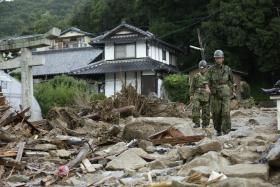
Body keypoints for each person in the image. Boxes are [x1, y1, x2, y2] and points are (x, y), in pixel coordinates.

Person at [207, 50, 236, 135]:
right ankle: (218, 130)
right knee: (216, 113)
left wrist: (233, 90)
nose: (218, 60)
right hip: (215, 94)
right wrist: (207, 87)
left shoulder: (227, 69)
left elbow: (231, 81)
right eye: (216, 58)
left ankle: (226, 130)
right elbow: (206, 80)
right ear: (214, 59)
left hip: (225, 93)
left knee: (226, 112)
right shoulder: (211, 70)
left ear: (223, 59)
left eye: (220, 58)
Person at [189, 60, 210, 128]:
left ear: (206, 68)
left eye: (203, 68)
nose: (202, 69)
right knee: (195, 107)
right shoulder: (196, 76)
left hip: (206, 94)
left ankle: (205, 124)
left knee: (206, 110)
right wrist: (191, 94)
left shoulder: (209, 76)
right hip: (197, 93)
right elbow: (192, 86)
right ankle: (196, 123)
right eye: (201, 68)